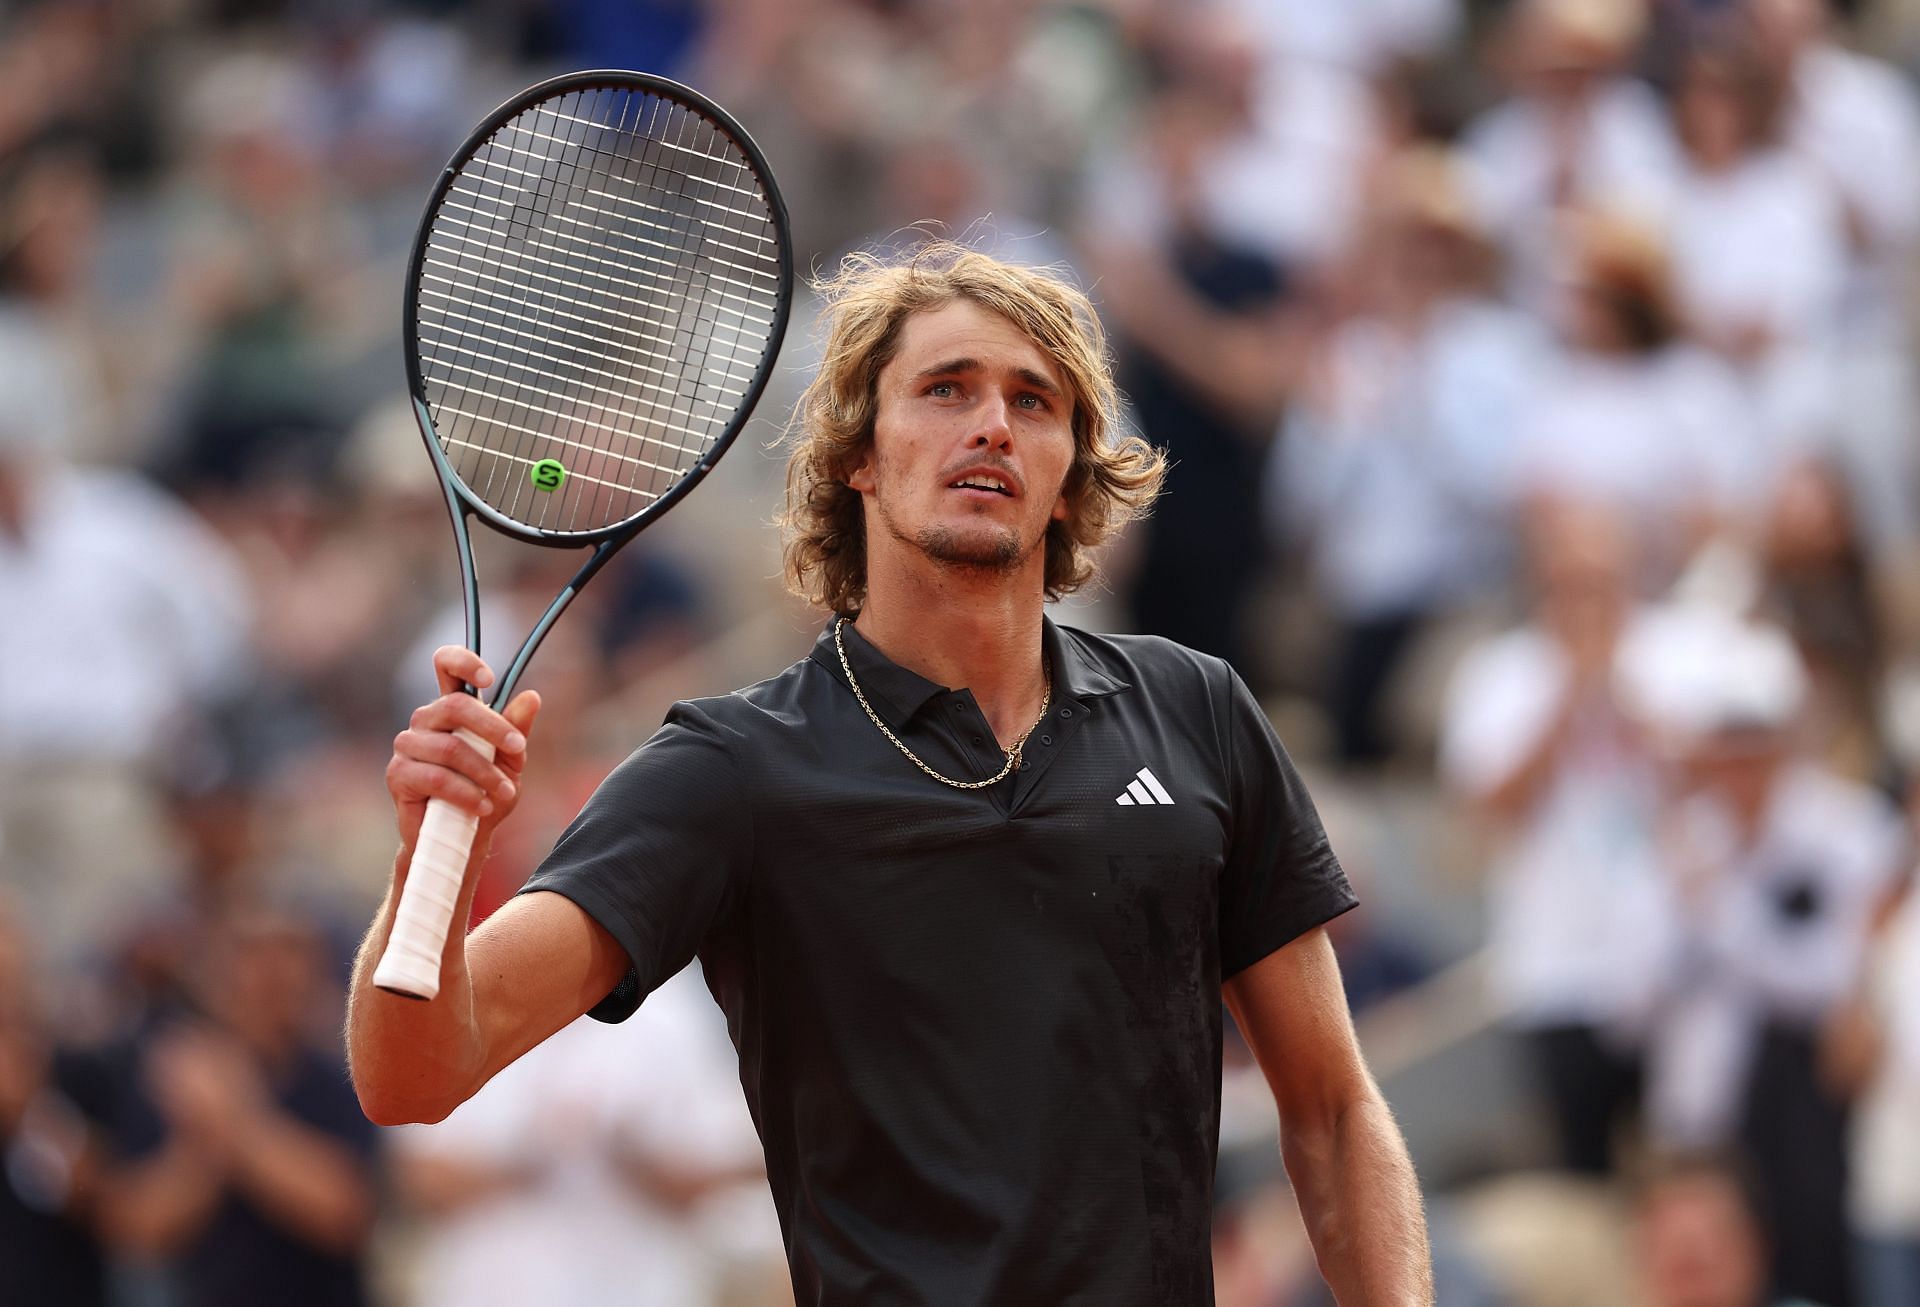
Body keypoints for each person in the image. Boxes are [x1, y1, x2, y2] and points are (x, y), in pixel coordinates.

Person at [347, 243, 1433, 1303]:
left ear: (1067, 480)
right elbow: (416, 1072)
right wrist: (424, 860)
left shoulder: (1198, 712)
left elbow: (1334, 1112)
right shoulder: (731, 769)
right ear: (859, 452)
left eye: (1035, 401)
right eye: (946, 388)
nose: (993, 423)